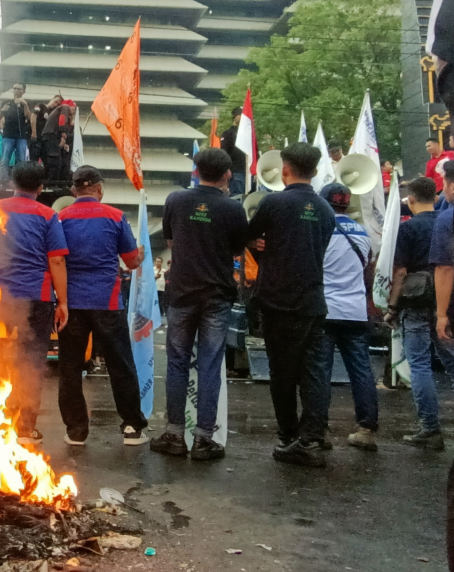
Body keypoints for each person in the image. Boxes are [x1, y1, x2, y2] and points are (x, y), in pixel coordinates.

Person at [150, 148, 247, 461]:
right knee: (209, 364)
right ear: (227, 174)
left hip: (181, 292)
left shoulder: (176, 200)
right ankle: (204, 437)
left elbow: (170, 241)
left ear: (196, 170)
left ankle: (174, 434)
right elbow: (235, 249)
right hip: (217, 295)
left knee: (177, 362)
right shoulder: (233, 208)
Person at [247, 142, 336, 468]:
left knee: (282, 372)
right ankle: (313, 434)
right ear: (314, 172)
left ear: (285, 169)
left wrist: (259, 248)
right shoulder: (326, 210)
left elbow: (249, 234)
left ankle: (288, 435)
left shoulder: (274, 203)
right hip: (313, 300)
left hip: (277, 300)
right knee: (314, 371)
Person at [0, 162, 69, 445]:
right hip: (36, 297)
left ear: (13, 183)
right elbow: (56, 259)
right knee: (32, 359)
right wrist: (63, 301)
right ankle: (26, 426)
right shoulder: (48, 215)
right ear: (40, 188)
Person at [56, 166, 148, 447]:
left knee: (70, 367)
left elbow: (55, 259)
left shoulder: (60, 218)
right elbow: (131, 261)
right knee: (120, 363)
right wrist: (141, 254)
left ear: (74, 191)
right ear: (99, 188)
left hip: (71, 304)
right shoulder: (116, 217)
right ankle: (132, 426)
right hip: (106, 301)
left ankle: (76, 431)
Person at [316, 183, 379, 452]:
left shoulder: (320, 231)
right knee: (361, 370)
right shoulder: (363, 232)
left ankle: (318, 430)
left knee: (320, 371)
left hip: (326, 310)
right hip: (355, 312)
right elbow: (368, 271)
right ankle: (366, 428)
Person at [392, 175, 454, 450]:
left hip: (416, 301)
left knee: (418, 364)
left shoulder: (408, 229)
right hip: (445, 301)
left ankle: (429, 427)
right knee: (451, 362)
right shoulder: (445, 221)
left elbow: (401, 271)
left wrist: (392, 306)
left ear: (412, 199)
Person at [0, 83, 34, 180]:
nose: (16, 90)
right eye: (15, 88)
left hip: (21, 136)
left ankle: (20, 181)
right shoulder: (7, 102)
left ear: (23, 91)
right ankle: (4, 181)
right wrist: (2, 110)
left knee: (22, 160)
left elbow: (28, 117)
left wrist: (25, 104)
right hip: (8, 135)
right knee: (5, 159)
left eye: (19, 89)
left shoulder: (26, 103)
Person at [219, 108, 247, 196]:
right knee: (237, 196)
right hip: (236, 171)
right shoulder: (227, 133)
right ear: (235, 117)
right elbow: (224, 153)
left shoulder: (247, 133)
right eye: (241, 115)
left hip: (247, 171)